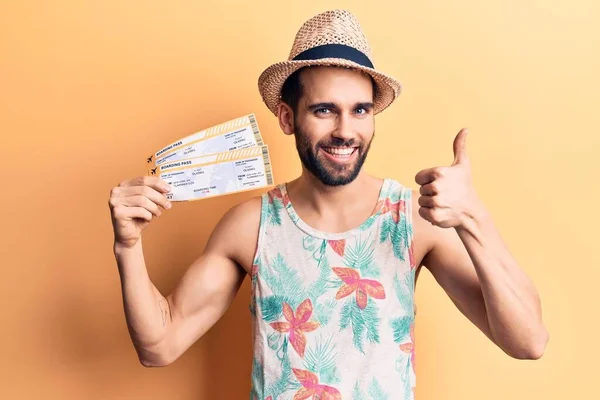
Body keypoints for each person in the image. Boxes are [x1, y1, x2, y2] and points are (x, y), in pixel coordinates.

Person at [108, 9, 548, 399]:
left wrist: (474, 219)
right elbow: (159, 346)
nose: (345, 130)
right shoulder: (249, 226)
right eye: (324, 110)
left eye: (360, 110)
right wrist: (127, 246)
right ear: (287, 117)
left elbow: (528, 342)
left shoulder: (413, 219)